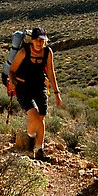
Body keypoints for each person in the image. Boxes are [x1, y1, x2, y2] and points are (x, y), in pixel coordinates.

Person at [8, 26, 62, 161]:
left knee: (41, 117)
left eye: (42, 40)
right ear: (32, 40)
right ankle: (31, 139)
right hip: (23, 87)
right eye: (37, 40)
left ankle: (38, 149)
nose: (39, 43)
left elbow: (50, 72)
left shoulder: (48, 52)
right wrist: (13, 81)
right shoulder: (23, 52)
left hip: (40, 86)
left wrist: (56, 92)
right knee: (35, 115)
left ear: (45, 41)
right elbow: (12, 70)